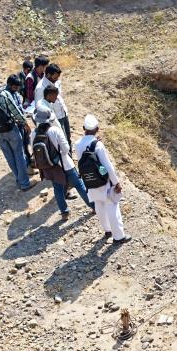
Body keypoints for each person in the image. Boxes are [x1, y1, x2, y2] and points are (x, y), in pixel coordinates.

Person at [0, 68, 36, 191]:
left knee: (9, 156)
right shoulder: (4, 94)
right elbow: (15, 111)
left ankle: (19, 181)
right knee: (19, 155)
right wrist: (25, 124)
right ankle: (24, 184)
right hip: (10, 129)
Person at [31, 105, 93, 220]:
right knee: (79, 184)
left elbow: (34, 152)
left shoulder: (34, 134)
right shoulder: (54, 130)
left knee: (57, 188)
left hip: (49, 167)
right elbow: (65, 149)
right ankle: (92, 206)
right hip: (65, 164)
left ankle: (64, 212)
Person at [76, 115, 131, 244]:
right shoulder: (98, 145)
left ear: (84, 128)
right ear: (97, 129)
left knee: (98, 203)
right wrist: (116, 182)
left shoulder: (77, 144)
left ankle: (107, 230)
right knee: (111, 205)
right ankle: (119, 236)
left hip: (89, 180)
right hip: (102, 180)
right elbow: (107, 166)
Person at [5, 74, 36, 174]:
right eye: (15, 87)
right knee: (20, 147)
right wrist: (24, 122)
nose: (17, 89)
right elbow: (14, 112)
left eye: (18, 87)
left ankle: (29, 162)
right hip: (16, 124)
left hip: (22, 122)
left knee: (25, 143)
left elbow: (20, 108)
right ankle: (26, 167)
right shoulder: (6, 95)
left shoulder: (15, 93)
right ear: (9, 85)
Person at [35, 63, 70, 145]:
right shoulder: (41, 88)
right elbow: (40, 108)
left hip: (63, 113)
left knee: (67, 138)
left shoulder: (56, 82)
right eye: (55, 77)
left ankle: (69, 155)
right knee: (61, 141)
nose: (57, 79)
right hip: (55, 118)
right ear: (48, 75)